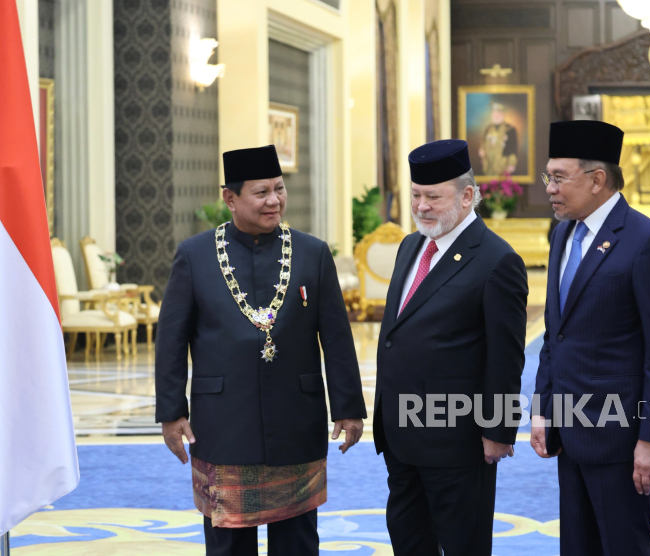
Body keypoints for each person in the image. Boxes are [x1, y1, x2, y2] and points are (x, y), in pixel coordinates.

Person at [155, 145, 367, 556]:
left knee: (298, 542)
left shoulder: (312, 252)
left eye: (279, 189)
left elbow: (337, 338)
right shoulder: (195, 256)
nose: (274, 201)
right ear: (230, 198)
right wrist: (171, 412)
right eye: (261, 192)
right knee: (228, 542)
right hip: (223, 424)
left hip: (295, 419)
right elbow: (171, 340)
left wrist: (348, 407)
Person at [530, 120, 650, 556]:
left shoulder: (648, 242)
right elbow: (554, 334)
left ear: (598, 179)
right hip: (569, 433)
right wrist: (543, 408)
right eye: (548, 177)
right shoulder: (562, 233)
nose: (550, 188)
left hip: (621, 441)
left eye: (559, 177)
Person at [374, 139, 528, 555]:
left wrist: (499, 430)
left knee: (463, 546)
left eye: (433, 197)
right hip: (401, 438)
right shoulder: (411, 246)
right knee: (409, 543)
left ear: (466, 196)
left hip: (457, 443)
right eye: (416, 196)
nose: (421, 206)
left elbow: (507, 356)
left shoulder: (497, 260)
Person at [478, 102, 518, 176]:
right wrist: (482, 150)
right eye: (494, 113)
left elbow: (513, 149)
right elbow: (483, 145)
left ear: (503, 114)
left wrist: (511, 164)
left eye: (498, 113)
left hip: (503, 166)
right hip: (489, 166)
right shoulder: (488, 129)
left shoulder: (510, 130)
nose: (496, 115)